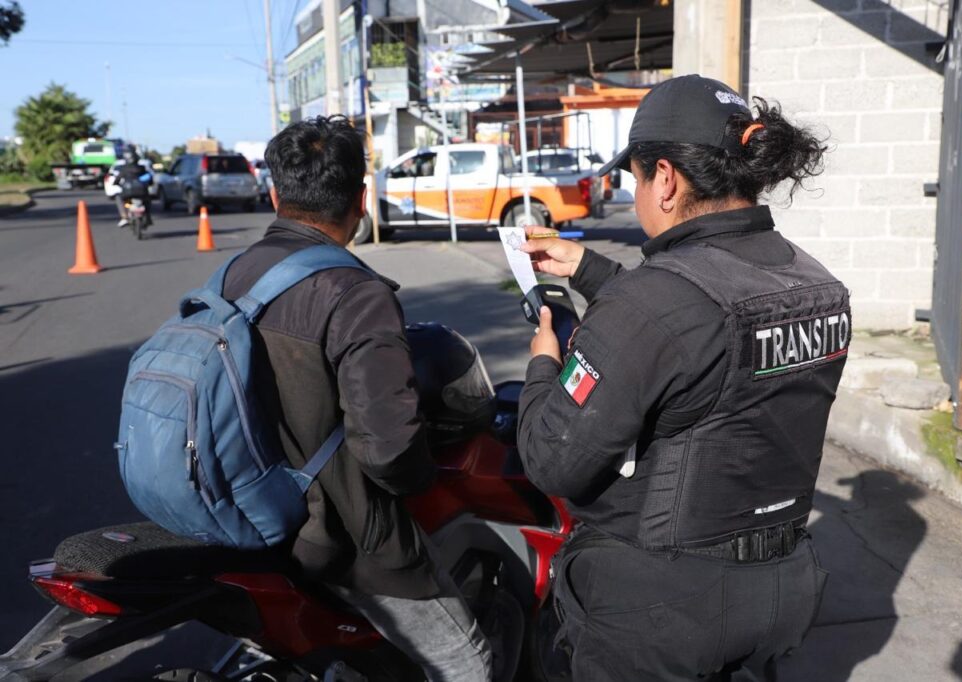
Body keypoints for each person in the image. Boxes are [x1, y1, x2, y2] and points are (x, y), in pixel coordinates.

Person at [517, 75, 846, 681]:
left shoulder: (653, 304)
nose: (636, 193)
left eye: (635, 178)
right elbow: (699, 333)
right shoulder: (817, 283)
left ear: (665, 179)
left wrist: (544, 361)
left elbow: (552, 460)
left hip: (659, 613)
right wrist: (588, 269)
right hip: (783, 586)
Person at [221, 115, 491, 681]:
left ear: (275, 194)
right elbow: (389, 449)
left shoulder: (230, 276)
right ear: (361, 199)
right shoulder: (355, 293)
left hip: (243, 515)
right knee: (468, 664)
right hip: (336, 536)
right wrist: (420, 479)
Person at [114, 147, 153, 227]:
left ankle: (124, 217)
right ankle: (148, 217)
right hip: (142, 192)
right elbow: (149, 178)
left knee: (119, 198)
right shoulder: (141, 168)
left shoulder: (123, 168)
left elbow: (117, 179)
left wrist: (116, 183)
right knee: (147, 201)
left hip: (127, 193)